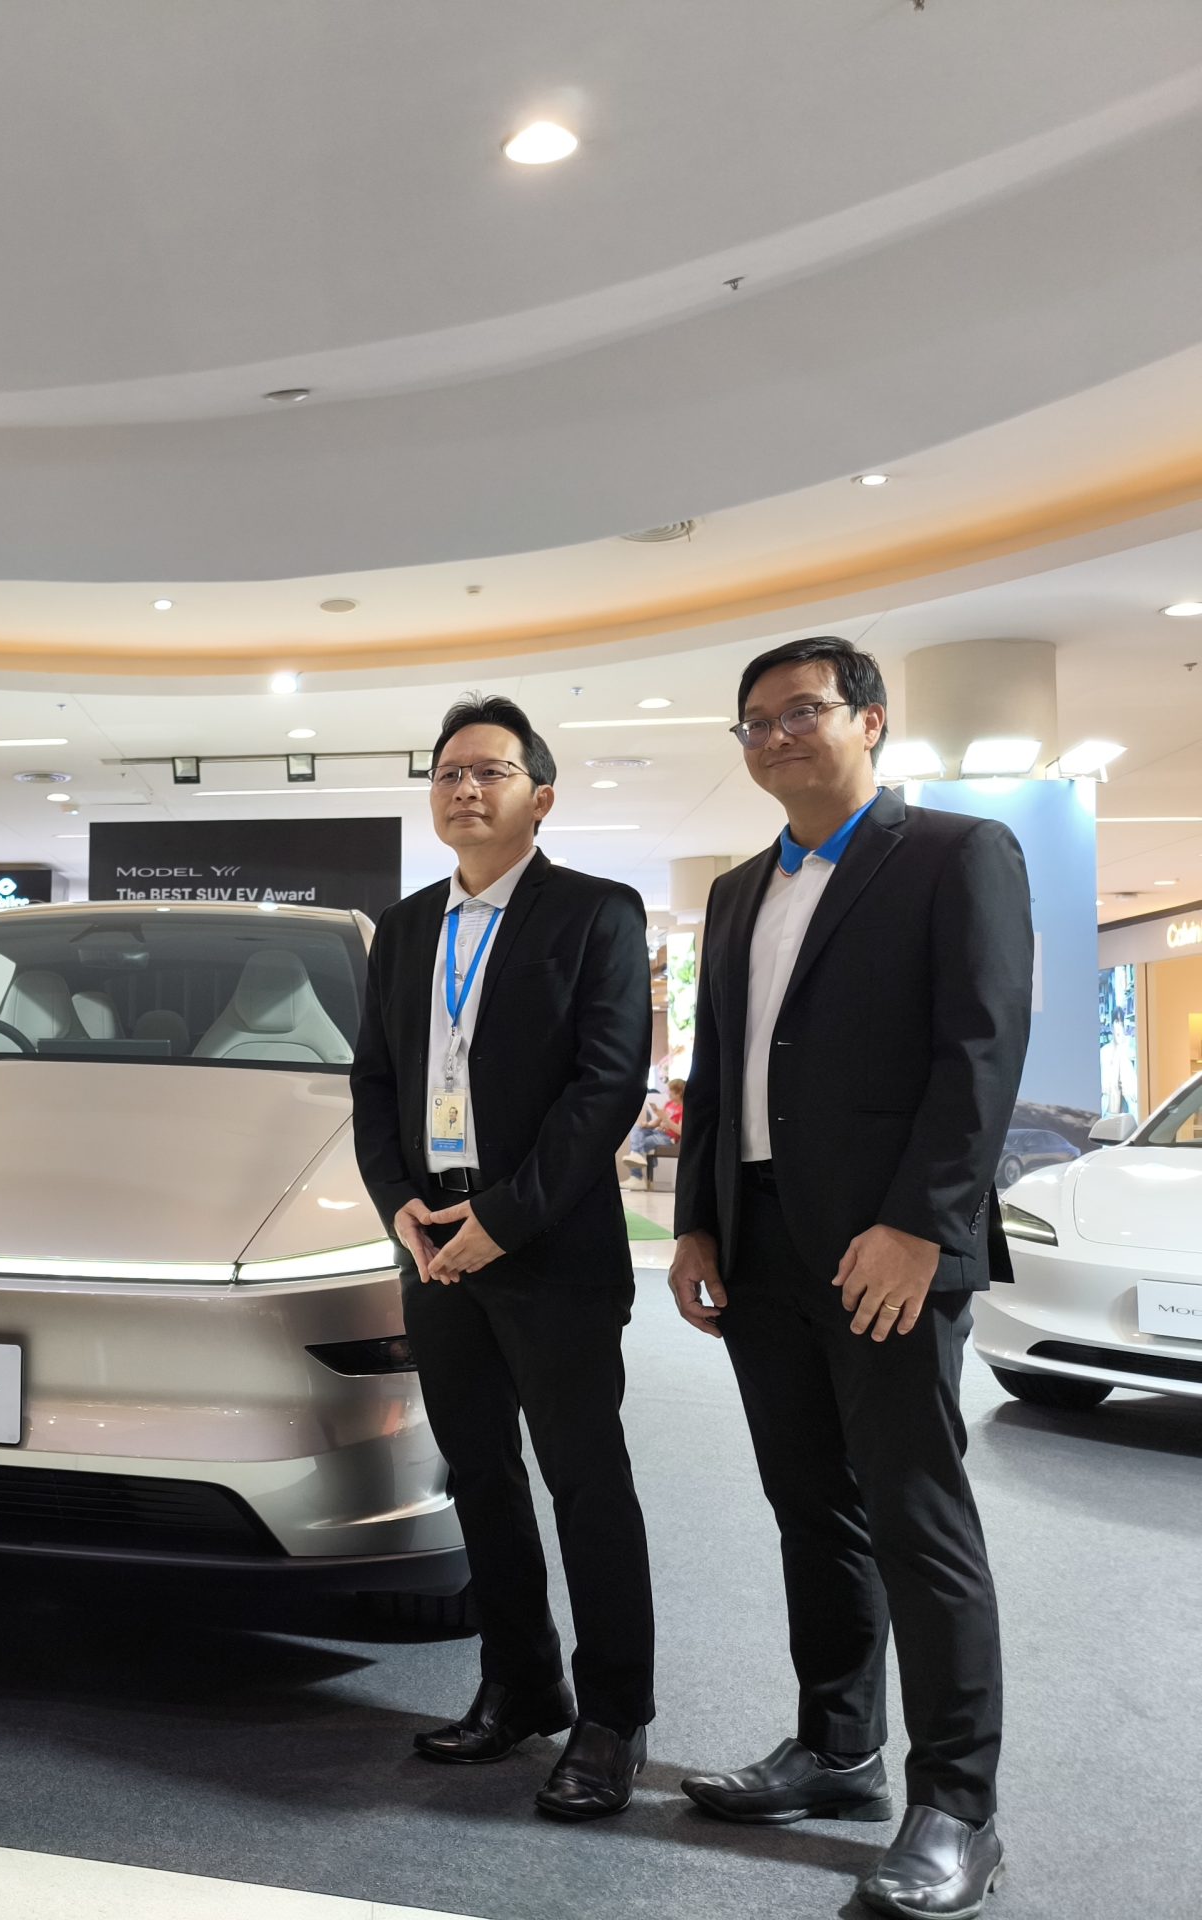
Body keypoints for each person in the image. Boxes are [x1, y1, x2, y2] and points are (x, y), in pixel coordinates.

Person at [669, 636, 1029, 1919]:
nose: (774, 736)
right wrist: (696, 1223)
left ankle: (958, 1809)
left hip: (886, 1247)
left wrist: (919, 1225)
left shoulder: (953, 855)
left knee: (915, 1516)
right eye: (753, 722)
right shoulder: (736, 891)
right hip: (758, 1241)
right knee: (809, 1506)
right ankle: (835, 1748)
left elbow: (980, 1050)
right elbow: (718, 1070)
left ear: (869, 721)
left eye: (801, 711)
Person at [349, 694, 655, 1821]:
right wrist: (402, 1206)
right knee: (478, 1472)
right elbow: (374, 1082)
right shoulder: (405, 928)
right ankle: (521, 1682)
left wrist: (506, 1220)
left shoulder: (596, 913)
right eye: (446, 774)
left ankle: (612, 1716)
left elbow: (606, 1085)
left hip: (548, 1242)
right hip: (434, 1241)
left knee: (585, 1480)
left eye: (489, 771)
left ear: (542, 797)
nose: (464, 789)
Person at [625, 1077, 684, 1187]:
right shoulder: (669, 1104)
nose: (668, 1092)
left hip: (668, 1138)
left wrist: (666, 1120)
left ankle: (637, 1177)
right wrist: (647, 1124)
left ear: (679, 1092)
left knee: (640, 1143)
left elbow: (680, 1131)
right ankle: (637, 1157)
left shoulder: (684, 1108)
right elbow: (657, 1122)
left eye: (671, 1090)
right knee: (636, 1128)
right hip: (658, 1132)